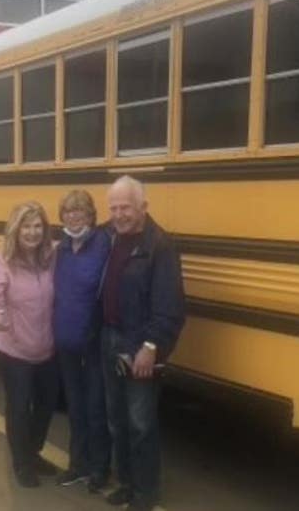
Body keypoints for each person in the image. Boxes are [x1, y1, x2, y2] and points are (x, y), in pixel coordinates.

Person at [99, 175, 186, 511]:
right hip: (109, 338)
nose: (119, 214)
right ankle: (127, 482)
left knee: (140, 423)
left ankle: (146, 492)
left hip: (138, 344)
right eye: (114, 208)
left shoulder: (160, 246)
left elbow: (171, 307)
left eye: (126, 208)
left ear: (143, 207)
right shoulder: (109, 236)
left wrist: (151, 346)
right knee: (116, 418)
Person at [0, 201, 59, 488]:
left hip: (46, 347)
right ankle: (22, 463)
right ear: (16, 229)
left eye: (38, 226)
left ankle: (33, 451)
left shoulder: (51, 256)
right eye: (26, 226)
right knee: (18, 406)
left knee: (46, 404)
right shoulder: (1, 260)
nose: (32, 232)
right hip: (14, 349)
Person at [52, 190, 112, 492]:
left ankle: (99, 469)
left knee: (95, 408)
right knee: (75, 408)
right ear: (62, 217)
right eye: (68, 212)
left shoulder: (103, 244)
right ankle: (77, 466)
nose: (74, 216)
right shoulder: (60, 249)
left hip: (92, 343)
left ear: (91, 215)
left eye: (80, 211)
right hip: (66, 344)